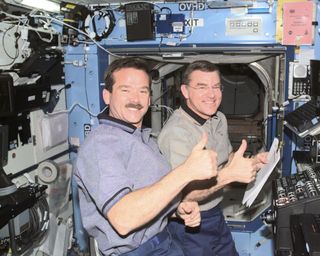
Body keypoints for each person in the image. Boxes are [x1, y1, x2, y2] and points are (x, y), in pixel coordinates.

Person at [73, 57, 219, 256]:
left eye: (143, 91)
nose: (136, 99)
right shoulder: (101, 145)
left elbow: (150, 198)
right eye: (125, 90)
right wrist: (186, 172)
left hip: (164, 240)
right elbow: (124, 219)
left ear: (150, 99)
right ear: (107, 96)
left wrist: (177, 210)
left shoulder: (143, 139)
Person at [158, 60, 268, 256]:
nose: (211, 94)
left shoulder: (218, 118)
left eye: (216, 87)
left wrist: (253, 162)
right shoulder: (177, 133)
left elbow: (228, 158)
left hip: (215, 211)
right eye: (201, 87)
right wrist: (230, 176)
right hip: (189, 222)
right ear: (185, 91)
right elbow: (184, 196)